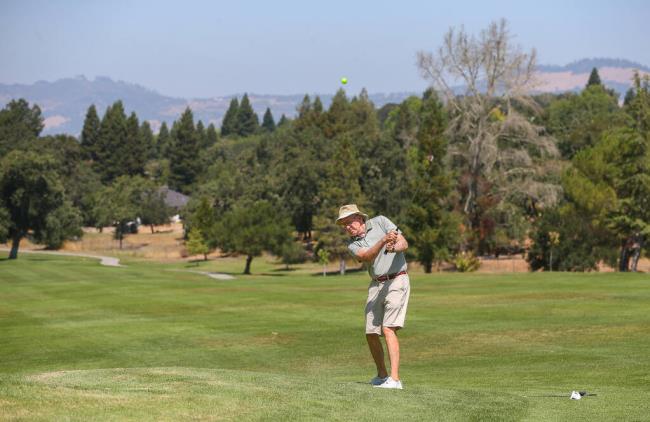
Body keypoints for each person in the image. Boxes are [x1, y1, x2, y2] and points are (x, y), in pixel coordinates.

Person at [336, 204, 410, 390]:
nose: (347, 227)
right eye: (343, 224)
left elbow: (403, 243)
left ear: (360, 218)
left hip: (397, 279)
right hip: (376, 283)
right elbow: (367, 256)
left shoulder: (381, 221)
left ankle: (395, 379)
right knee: (371, 332)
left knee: (388, 329)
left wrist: (394, 247)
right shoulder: (353, 244)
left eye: (348, 222)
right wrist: (384, 241)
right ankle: (382, 375)